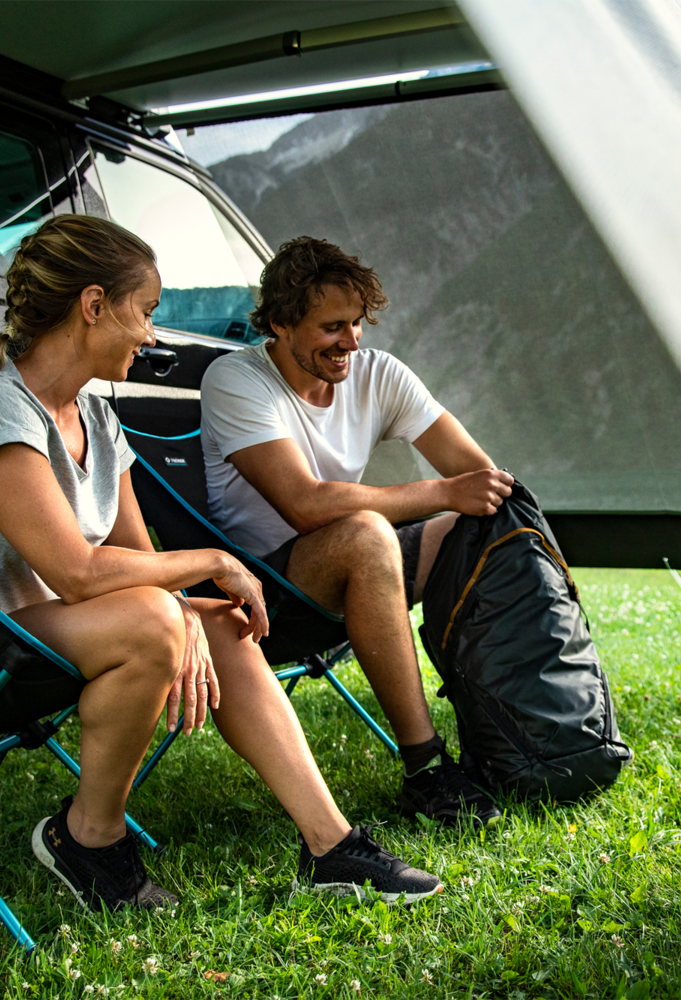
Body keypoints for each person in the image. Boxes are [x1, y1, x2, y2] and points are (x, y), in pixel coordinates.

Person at [0, 215, 441, 911]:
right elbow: (78, 573)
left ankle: (331, 846)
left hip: (48, 627)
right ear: (94, 306)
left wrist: (190, 605)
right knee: (163, 614)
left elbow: (134, 558)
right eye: (146, 311)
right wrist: (209, 564)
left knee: (219, 620)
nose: (152, 335)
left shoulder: (94, 415)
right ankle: (87, 838)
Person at [200, 236, 514, 828]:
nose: (350, 342)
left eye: (357, 323)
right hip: (265, 595)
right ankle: (426, 767)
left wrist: (506, 513)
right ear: (278, 324)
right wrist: (444, 492)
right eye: (331, 328)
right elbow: (305, 504)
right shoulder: (235, 380)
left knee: (483, 526)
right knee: (368, 533)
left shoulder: (378, 375)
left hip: (350, 575)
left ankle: (510, 727)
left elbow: (479, 472)